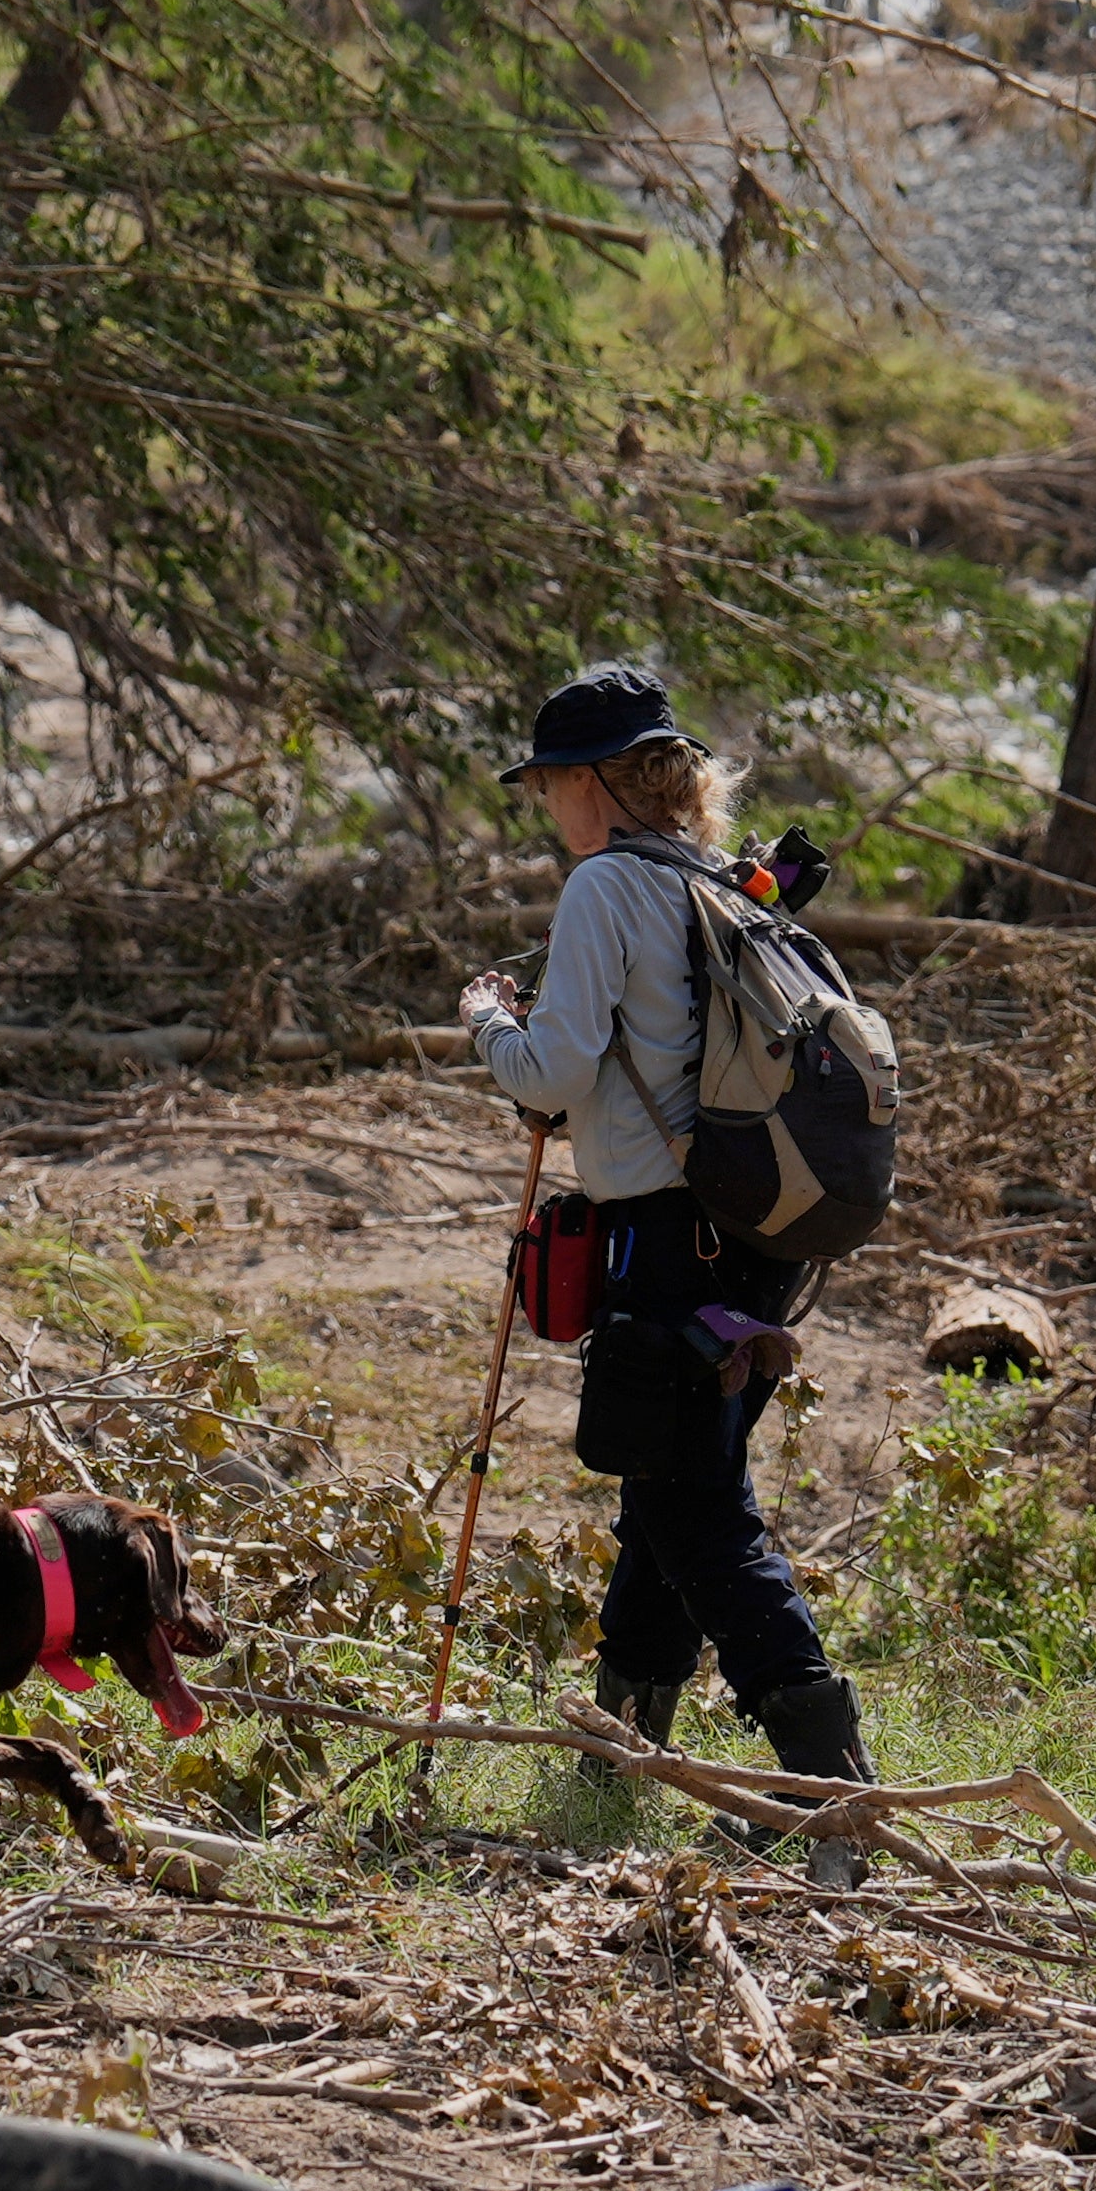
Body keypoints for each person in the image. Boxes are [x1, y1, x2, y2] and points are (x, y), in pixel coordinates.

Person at [458, 661, 877, 1863]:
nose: (547, 807)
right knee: (664, 1488)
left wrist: (489, 1017)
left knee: (696, 1509)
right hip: (750, 1239)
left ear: (592, 784)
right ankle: (624, 1749)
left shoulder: (603, 891)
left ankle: (833, 1782)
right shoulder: (722, 884)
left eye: (548, 785)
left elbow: (549, 1073)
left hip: (659, 1243)